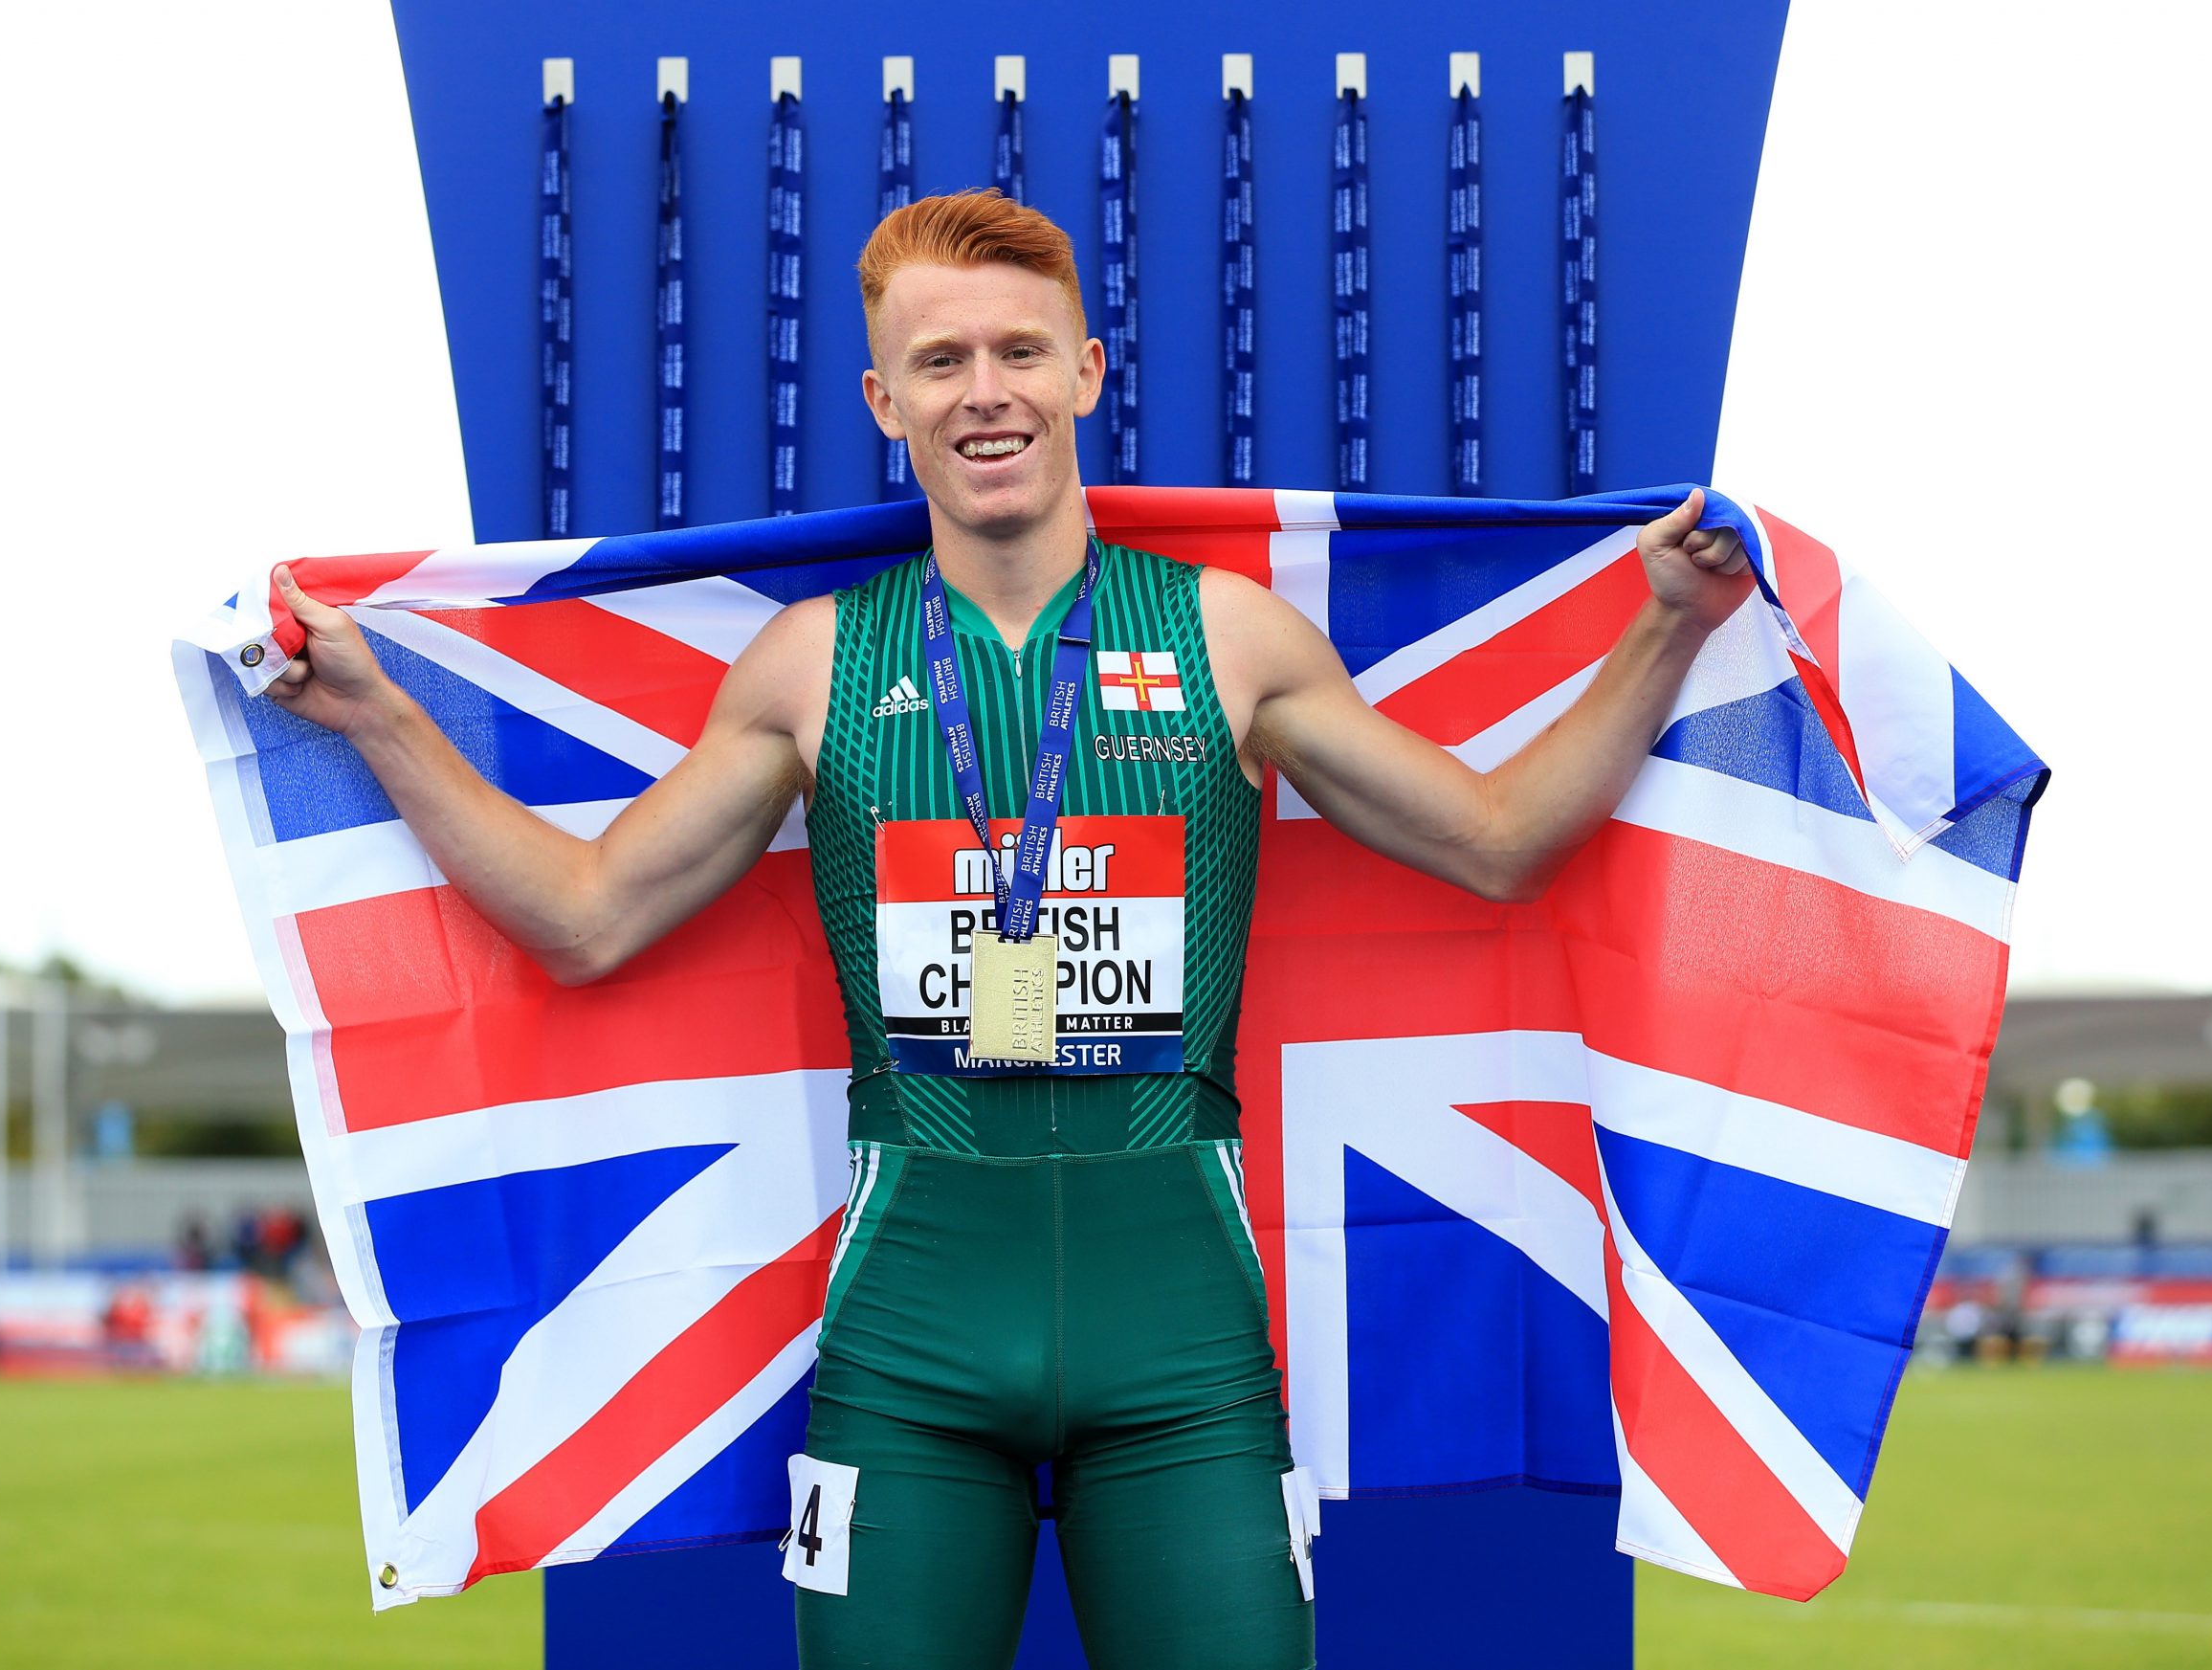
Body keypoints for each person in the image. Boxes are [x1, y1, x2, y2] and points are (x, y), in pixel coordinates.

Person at [261, 189, 1749, 1669]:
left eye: (1023, 352)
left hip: (1182, 1347)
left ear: (1087, 373)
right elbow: (585, 918)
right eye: (942, 359)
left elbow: (1496, 843)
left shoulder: (1231, 638)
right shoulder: (809, 665)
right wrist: (382, 716)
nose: (987, 392)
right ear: (883, 399)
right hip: (909, 1348)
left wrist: (1667, 625)